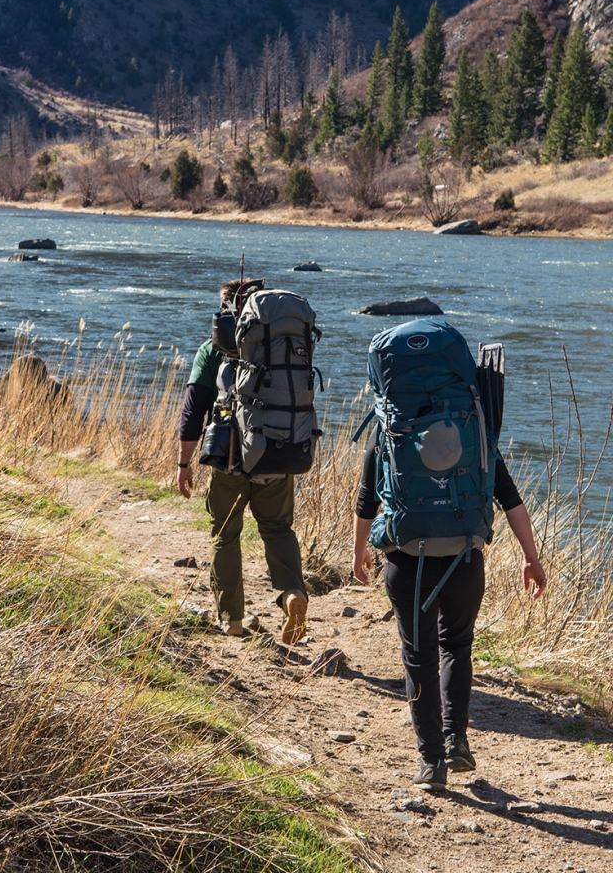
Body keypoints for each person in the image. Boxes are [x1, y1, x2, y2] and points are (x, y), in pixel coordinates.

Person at [353, 432, 546, 790]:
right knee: (457, 645)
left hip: (407, 559)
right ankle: (455, 740)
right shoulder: (472, 428)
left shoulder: (389, 427)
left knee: (418, 655)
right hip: (465, 558)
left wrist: (359, 550)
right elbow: (511, 499)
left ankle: (431, 761)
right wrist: (530, 558)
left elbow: (367, 499)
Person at [176, 278, 309, 644]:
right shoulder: (284, 344)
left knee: (225, 534)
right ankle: (291, 594)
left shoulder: (213, 348)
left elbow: (192, 412)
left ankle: (232, 618)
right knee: (278, 530)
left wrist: (183, 464)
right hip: (278, 455)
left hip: (230, 459)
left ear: (227, 309)